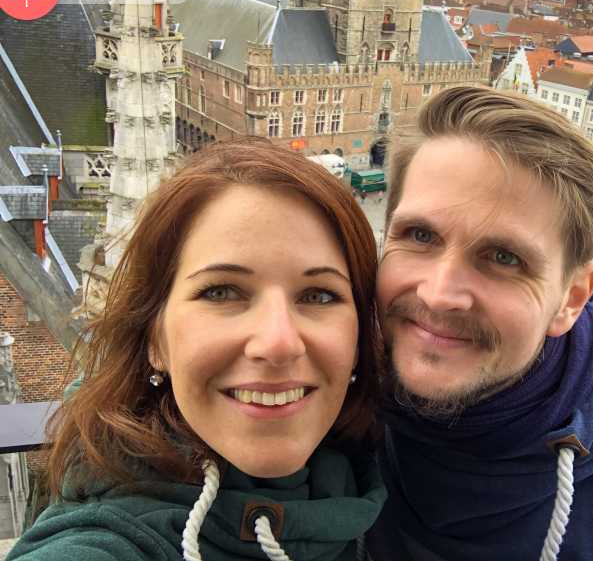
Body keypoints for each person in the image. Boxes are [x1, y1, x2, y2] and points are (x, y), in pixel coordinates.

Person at [367, 87, 593, 561]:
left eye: (504, 257)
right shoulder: (328, 408)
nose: (439, 293)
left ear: (572, 299)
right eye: (419, 236)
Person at [8, 139, 386, 561]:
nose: (278, 342)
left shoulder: (387, 484)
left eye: (318, 295)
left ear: (357, 340)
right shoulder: (102, 545)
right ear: (155, 337)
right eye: (222, 292)